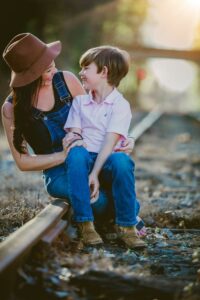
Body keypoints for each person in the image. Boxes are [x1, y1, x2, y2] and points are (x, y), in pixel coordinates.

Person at [1, 33, 144, 249]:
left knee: (118, 169)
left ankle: (125, 219)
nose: (54, 71)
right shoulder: (12, 108)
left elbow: (99, 115)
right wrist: (63, 155)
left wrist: (127, 138)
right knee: (99, 201)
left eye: (53, 65)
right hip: (58, 171)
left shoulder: (66, 81)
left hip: (88, 158)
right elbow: (22, 162)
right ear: (30, 76)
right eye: (47, 70)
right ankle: (118, 215)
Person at [63, 46, 146, 249]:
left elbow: (110, 143)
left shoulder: (120, 104)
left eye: (86, 68)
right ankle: (85, 224)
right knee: (76, 154)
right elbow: (75, 134)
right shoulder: (80, 102)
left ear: (104, 71)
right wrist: (73, 138)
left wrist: (95, 174)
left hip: (107, 159)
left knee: (122, 161)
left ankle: (127, 227)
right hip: (84, 157)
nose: (80, 73)